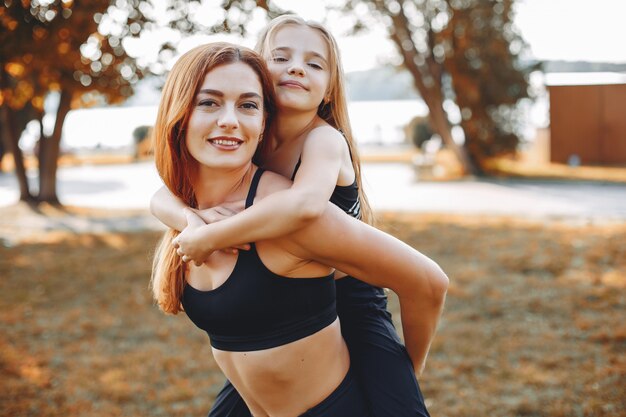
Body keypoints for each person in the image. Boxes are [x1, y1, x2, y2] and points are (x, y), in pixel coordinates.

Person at [152, 16, 435, 417]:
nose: (297, 68)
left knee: (397, 400)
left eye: (315, 64)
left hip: (353, 296)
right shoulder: (256, 140)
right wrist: (190, 219)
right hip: (292, 310)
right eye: (281, 57)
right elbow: (163, 193)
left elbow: (303, 206)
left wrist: (408, 366)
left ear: (329, 89)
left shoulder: (323, 139)